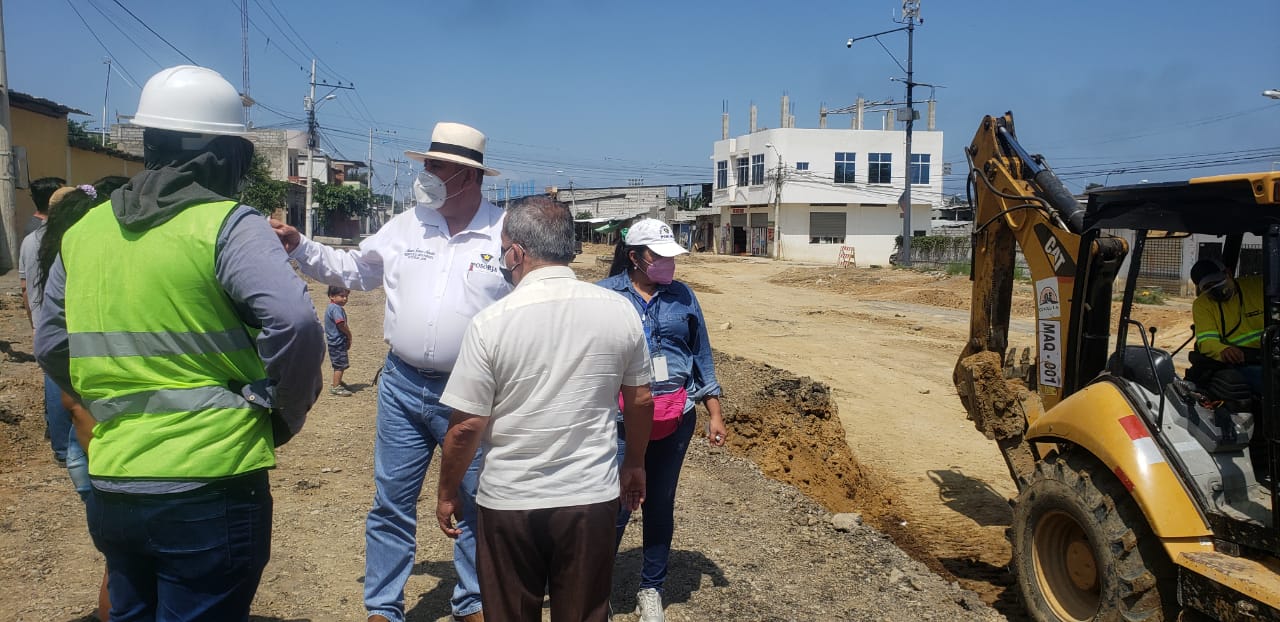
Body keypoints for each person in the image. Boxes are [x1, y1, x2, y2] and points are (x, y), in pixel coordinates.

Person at [34, 64, 324, 621]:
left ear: (150, 144)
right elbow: (296, 324)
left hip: (116, 477)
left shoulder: (84, 232)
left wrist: (108, 403)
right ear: (220, 155)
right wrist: (284, 413)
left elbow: (49, 343)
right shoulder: (228, 225)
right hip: (212, 481)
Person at [270, 121, 509, 622]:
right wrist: (299, 246)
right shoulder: (406, 226)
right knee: (391, 502)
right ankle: (383, 607)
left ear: (468, 176)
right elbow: (355, 270)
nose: (426, 175)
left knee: (475, 499)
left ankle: (472, 600)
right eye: (426, 164)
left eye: (436, 167)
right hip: (402, 386)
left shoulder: (504, 232)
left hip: (472, 393)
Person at [434, 195, 654, 622]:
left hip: (510, 500)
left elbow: (466, 427)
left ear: (516, 253)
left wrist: (447, 492)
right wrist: (634, 462)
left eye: (503, 250)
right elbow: (641, 399)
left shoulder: (491, 323)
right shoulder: (619, 311)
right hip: (590, 496)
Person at [599, 218, 727, 622]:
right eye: (659, 256)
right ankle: (594, 590)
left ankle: (651, 587)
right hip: (619, 421)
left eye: (671, 257)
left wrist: (714, 412)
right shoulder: (604, 296)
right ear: (635, 257)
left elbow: (701, 353)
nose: (669, 264)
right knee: (615, 505)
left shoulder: (683, 296)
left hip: (676, 417)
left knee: (659, 502)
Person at [21, 181, 74, 467]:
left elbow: (24, 287)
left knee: (52, 379)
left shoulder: (30, 240)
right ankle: (71, 445)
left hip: (42, 319)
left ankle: (60, 444)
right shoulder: (71, 238)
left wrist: (34, 321)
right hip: (67, 318)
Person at [1190, 258, 1264, 394]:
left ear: (1228, 273)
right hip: (1241, 361)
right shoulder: (1202, 305)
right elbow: (1206, 340)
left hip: (1269, 353)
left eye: (1217, 282)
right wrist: (1223, 350)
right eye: (1207, 287)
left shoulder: (1258, 287)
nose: (1215, 289)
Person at [326, 285, 354, 396]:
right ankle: (336, 387)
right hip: (337, 342)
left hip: (333, 342)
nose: (345, 299)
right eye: (342, 296)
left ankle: (337, 382)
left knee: (339, 363)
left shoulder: (331, 307)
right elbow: (341, 324)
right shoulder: (336, 309)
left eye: (346, 296)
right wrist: (349, 334)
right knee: (340, 365)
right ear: (332, 296)